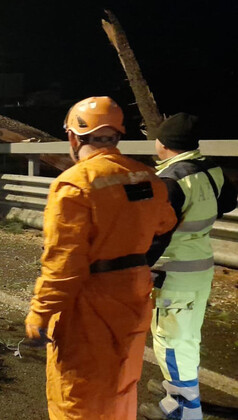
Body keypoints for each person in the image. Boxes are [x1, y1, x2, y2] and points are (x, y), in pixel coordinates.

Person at [25, 96, 178, 419]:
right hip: (135, 295)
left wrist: (40, 315)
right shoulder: (147, 177)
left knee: (78, 395)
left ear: (73, 137)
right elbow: (165, 222)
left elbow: (63, 267)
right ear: (117, 136)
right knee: (120, 387)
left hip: (90, 304)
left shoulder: (74, 186)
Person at [139, 113, 237, 420]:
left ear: (164, 144)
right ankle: (178, 390)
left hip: (175, 271)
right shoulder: (211, 169)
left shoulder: (171, 180)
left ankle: (182, 409)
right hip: (200, 266)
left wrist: (139, 268)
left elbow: (157, 233)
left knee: (170, 340)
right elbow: (228, 201)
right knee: (186, 336)